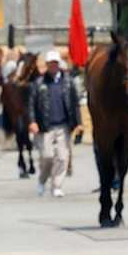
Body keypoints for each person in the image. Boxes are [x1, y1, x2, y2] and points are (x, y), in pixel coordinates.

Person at [26, 49, 83, 198]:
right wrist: (32, 121)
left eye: (55, 63)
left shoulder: (68, 82)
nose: (53, 66)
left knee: (63, 157)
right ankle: (42, 181)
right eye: (50, 64)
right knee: (47, 156)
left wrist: (79, 122)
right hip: (45, 127)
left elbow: (75, 104)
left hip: (63, 125)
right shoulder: (39, 83)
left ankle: (57, 185)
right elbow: (31, 104)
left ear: (59, 64)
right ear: (47, 65)